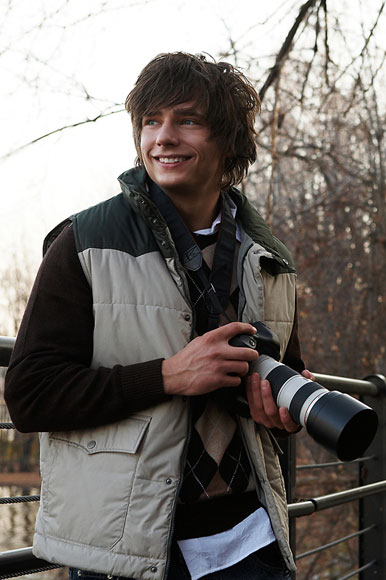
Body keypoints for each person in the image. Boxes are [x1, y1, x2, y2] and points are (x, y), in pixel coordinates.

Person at [5, 52, 311, 580]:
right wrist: (170, 375)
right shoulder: (84, 242)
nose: (163, 137)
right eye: (151, 121)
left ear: (229, 140)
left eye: (187, 120)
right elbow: (30, 396)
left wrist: (278, 413)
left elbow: (282, 381)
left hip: (249, 537)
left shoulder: (271, 260)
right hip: (126, 546)